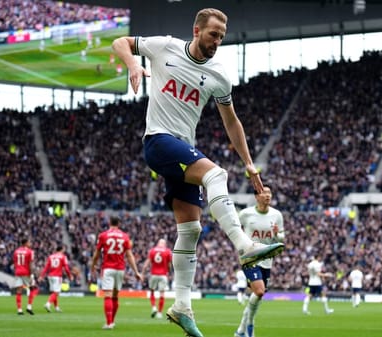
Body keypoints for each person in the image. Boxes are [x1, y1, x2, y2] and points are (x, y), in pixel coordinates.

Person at [111, 8, 284, 337]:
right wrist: (134, 63)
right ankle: (244, 246)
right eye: (212, 34)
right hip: (159, 140)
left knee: (190, 229)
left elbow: (231, 121)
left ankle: (181, 307)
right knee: (216, 174)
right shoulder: (165, 47)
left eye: (221, 37)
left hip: (181, 148)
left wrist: (249, 163)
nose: (217, 41)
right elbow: (121, 42)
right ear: (196, 30)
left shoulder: (219, 75)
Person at [234, 185, 284, 337]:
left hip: (267, 260)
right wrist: (241, 245)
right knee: (260, 291)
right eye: (264, 192)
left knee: (257, 295)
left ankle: (241, 330)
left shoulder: (277, 215)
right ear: (257, 196)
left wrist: (277, 234)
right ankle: (250, 325)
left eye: (269, 192)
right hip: (250, 258)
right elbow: (233, 227)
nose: (268, 195)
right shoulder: (246, 214)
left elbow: (281, 238)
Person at [90, 216, 143, 330]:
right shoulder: (125, 236)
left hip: (108, 268)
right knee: (115, 296)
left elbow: (97, 254)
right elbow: (129, 256)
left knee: (108, 296)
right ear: (119, 223)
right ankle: (112, 321)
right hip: (120, 269)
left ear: (109, 222)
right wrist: (136, 272)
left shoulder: (103, 235)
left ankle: (108, 323)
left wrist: (93, 266)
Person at [141, 238, 173, 319]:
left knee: (152, 291)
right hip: (163, 275)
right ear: (164, 244)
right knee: (162, 293)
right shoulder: (167, 251)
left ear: (158, 243)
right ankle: (159, 312)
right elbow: (169, 265)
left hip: (154, 274)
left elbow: (147, 263)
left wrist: (143, 273)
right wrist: (168, 272)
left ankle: (154, 307)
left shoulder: (152, 250)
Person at [38, 245, 73, 313]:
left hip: (50, 276)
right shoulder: (63, 257)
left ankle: (56, 307)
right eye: (64, 249)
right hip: (57, 276)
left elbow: (46, 267)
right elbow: (66, 268)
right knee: (56, 292)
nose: (64, 251)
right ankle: (48, 304)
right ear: (62, 249)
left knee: (54, 292)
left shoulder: (51, 256)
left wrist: (41, 276)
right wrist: (70, 275)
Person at [12, 237, 37, 315]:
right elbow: (30, 264)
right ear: (25, 243)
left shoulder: (16, 251)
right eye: (29, 242)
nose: (30, 244)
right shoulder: (30, 252)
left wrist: (16, 271)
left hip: (18, 272)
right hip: (26, 272)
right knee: (34, 288)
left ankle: (19, 310)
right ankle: (29, 307)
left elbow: (15, 263)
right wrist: (31, 273)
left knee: (19, 290)